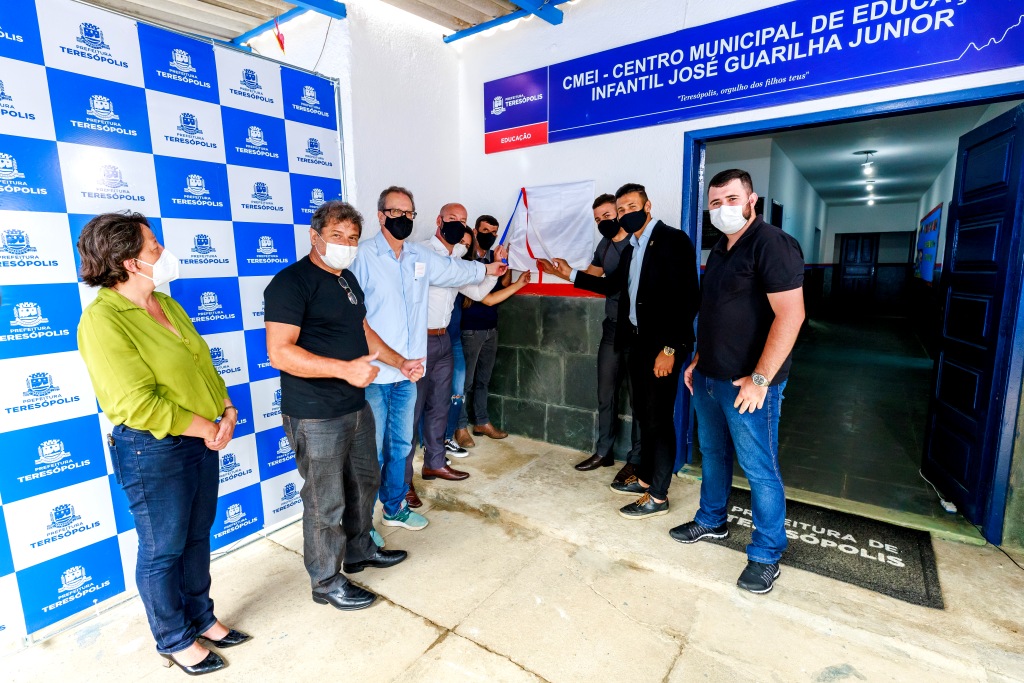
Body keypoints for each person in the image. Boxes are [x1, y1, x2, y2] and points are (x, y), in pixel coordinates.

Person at [77, 212, 249, 676]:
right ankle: (173, 638)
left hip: (201, 439)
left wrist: (226, 410)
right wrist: (206, 427)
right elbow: (136, 404)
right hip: (152, 450)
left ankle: (202, 618)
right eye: (154, 247)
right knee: (162, 549)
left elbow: (202, 366)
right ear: (129, 262)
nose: (163, 252)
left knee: (196, 535)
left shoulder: (166, 304)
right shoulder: (102, 320)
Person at [265, 200, 420, 612]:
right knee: (325, 500)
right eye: (337, 236)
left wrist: (400, 362)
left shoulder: (346, 279)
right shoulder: (290, 283)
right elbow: (279, 352)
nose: (346, 245)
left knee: (364, 483)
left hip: (354, 407)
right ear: (314, 236)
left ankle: (359, 550)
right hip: (315, 414)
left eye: (352, 238)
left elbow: (364, 330)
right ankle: (326, 581)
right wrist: (344, 370)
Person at [672, 169, 805, 595]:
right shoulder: (719, 248)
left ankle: (766, 554)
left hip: (749, 385)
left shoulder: (772, 244)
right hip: (709, 378)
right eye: (715, 202)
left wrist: (760, 379)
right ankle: (712, 521)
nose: (723, 208)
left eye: (731, 199)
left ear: (752, 200)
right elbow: (714, 311)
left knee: (759, 468)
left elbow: (791, 315)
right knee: (712, 454)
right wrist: (698, 359)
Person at [350, 186, 507, 531]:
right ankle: (362, 528)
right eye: (396, 212)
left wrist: (488, 270)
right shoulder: (362, 257)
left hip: (409, 370)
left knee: (401, 444)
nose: (404, 218)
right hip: (376, 373)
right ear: (381, 216)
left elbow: (456, 271)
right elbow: (352, 317)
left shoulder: (418, 256)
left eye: (409, 213)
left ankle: (394, 508)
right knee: (372, 450)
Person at [544, 183, 700, 520]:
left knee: (658, 420)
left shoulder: (673, 240)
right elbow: (611, 286)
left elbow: (687, 299)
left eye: (632, 207)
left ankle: (658, 496)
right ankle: (644, 478)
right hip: (636, 343)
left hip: (662, 347)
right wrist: (568, 273)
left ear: (648, 205)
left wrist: (670, 349)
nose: (626, 214)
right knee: (644, 414)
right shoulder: (632, 248)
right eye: (622, 209)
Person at [405, 204, 507, 501]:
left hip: (443, 339)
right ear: (439, 221)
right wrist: (483, 269)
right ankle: (403, 482)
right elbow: (444, 275)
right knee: (410, 414)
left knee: (440, 406)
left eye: (462, 221)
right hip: (417, 342)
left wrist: (494, 270)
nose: (458, 225)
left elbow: (476, 292)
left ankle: (435, 463)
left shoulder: (457, 259)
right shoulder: (421, 252)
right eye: (452, 219)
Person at [566, 194, 642, 482]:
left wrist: (570, 274)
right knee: (605, 392)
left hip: (635, 330)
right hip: (611, 327)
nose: (603, 222)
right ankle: (604, 451)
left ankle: (636, 460)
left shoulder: (636, 243)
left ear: (619, 213)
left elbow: (613, 285)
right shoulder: (604, 244)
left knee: (637, 399)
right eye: (598, 219)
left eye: (607, 216)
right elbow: (592, 276)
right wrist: (563, 271)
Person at [455, 215, 520, 444]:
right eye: (485, 231)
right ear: (475, 231)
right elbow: (484, 297)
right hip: (470, 329)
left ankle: (481, 421)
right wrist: (518, 284)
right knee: (465, 383)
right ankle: (460, 427)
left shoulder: (493, 257)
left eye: (493, 233)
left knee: (483, 380)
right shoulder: (467, 259)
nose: (490, 236)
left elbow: (503, 283)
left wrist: (505, 262)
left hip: (491, 327)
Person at [442, 230, 476, 459]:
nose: (462, 246)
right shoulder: (439, 267)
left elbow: (484, 295)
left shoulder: (463, 274)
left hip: (453, 340)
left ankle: (447, 439)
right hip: (433, 338)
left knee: (457, 391)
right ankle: (431, 443)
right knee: (432, 395)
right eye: (460, 241)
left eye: (466, 244)